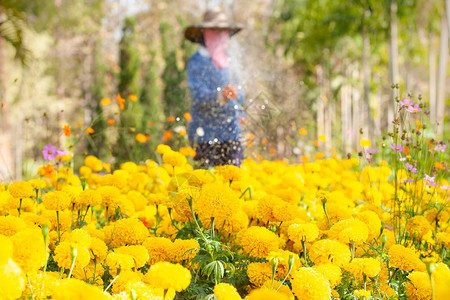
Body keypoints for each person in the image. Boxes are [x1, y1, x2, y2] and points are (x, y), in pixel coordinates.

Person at [184, 7, 246, 168]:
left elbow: (239, 88)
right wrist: (220, 95)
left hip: (231, 132)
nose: (220, 35)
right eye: (215, 31)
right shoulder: (197, 61)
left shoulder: (230, 60)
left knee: (233, 183)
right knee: (206, 182)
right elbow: (198, 94)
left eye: (223, 31)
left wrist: (242, 111)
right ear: (205, 33)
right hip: (205, 134)